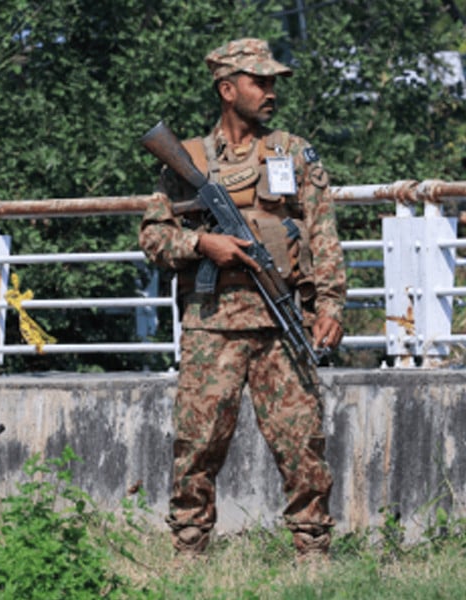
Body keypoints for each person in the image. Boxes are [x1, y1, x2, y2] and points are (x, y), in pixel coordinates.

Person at [139, 38, 346, 560]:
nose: (270, 91)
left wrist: (330, 307)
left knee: (302, 443)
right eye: (260, 81)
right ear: (227, 90)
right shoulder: (187, 159)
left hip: (283, 325)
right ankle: (189, 549)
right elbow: (153, 239)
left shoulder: (293, 152)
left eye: (273, 82)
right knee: (198, 443)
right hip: (213, 326)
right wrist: (202, 243)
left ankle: (312, 550)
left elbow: (322, 235)